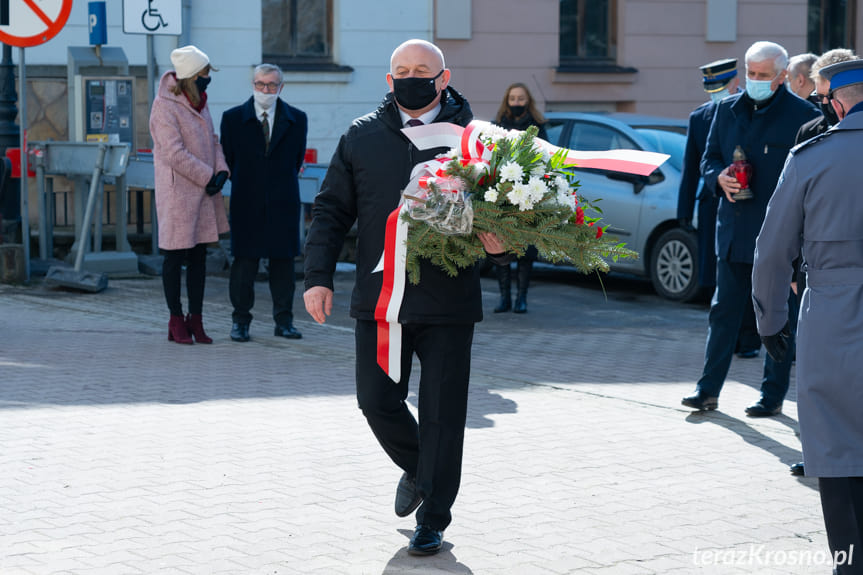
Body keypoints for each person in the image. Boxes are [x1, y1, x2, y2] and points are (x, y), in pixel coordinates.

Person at [303, 39, 508, 557]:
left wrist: (503, 246)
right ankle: (421, 470)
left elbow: (510, 219)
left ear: (443, 78)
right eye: (401, 70)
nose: (411, 78)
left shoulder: (476, 141)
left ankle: (433, 517)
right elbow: (330, 212)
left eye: (422, 70)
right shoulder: (362, 136)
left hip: (448, 301)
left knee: (443, 414)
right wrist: (317, 277)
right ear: (388, 79)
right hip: (381, 301)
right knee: (375, 402)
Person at [752, 58, 863, 575]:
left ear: (838, 103)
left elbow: (772, 251)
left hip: (833, 316)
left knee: (837, 442)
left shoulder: (811, 157)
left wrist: (770, 320)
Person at [680, 41, 819, 416]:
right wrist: (717, 179)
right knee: (723, 312)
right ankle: (707, 389)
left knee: (779, 317)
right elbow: (709, 159)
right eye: (751, 74)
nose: (755, 81)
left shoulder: (803, 116)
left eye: (763, 75)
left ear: (781, 77)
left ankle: (771, 396)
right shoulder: (725, 111)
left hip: (780, 240)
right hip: (734, 231)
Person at [787, 48, 857, 478]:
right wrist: (795, 273)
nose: (822, 104)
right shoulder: (810, 134)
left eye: (824, 95)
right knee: (823, 379)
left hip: (840, 279)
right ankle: (818, 450)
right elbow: (794, 217)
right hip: (821, 276)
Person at [676, 58, 760, 358]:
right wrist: (683, 211)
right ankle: (724, 337)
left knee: (747, 271)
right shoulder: (699, 117)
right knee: (715, 275)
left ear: (735, 84)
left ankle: (748, 338)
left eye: (720, 87)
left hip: (745, 202)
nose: (715, 94)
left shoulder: (750, 111)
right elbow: (692, 168)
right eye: (711, 88)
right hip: (713, 204)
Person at [220, 64, 307, 342]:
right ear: (252, 85)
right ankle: (240, 322)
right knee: (244, 264)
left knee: (283, 266)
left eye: (272, 85)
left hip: (283, 199)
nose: (266, 90)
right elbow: (229, 158)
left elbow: (296, 160)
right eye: (261, 84)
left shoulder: (297, 118)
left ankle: (284, 322)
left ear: (281, 87)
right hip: (247, 199)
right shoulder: (233, 119)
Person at [149, 45, 229, 345]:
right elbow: (172, 152)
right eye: (205, 73)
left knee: (198, 257)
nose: (209, 78)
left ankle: (196, 318)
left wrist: (221, 170)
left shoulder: (201, 101)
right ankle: (175, 318)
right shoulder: (164, 106)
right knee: (174, 256)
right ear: (192, 76)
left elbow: (212, 140)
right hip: (178, 193)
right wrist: (207, 175)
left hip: (204, 191)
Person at [491, 83, 547, 313]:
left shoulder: (538, 127)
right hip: (502, 196)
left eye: (521, 98)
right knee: (501, 250)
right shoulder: (497, 127)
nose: (516, 102)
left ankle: (521, 299)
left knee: (525, 251)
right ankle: (504, 298)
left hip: (529, 196)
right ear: (507, 100)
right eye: (512, 98)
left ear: (528, 101)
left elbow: (546, 158)